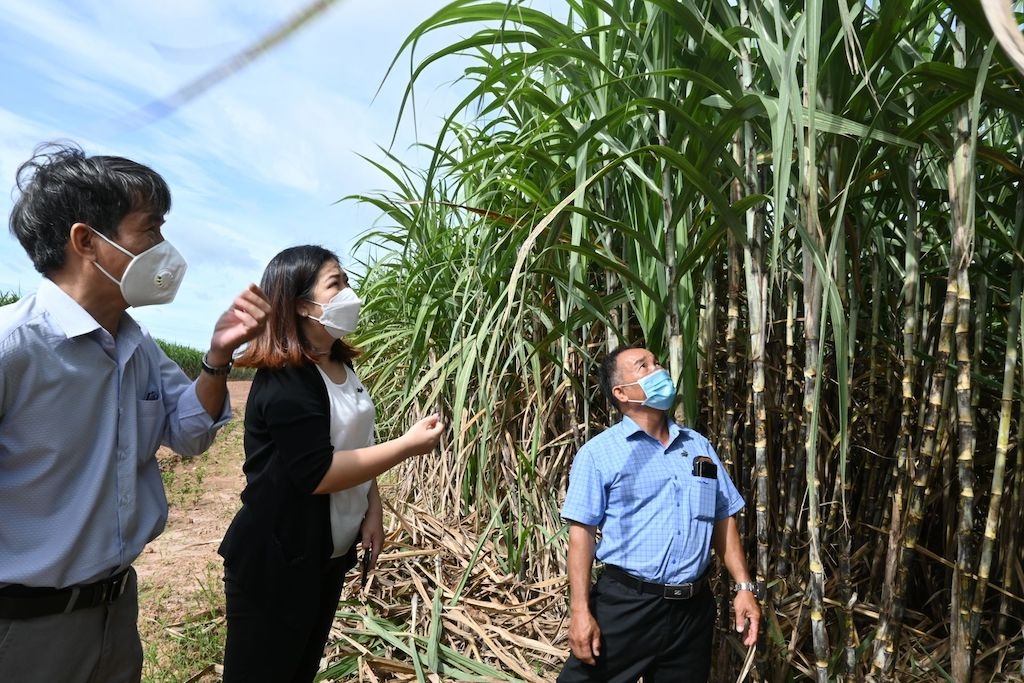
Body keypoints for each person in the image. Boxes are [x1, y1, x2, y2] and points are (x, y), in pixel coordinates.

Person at [0, 141, 271, 683]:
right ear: (86, 241)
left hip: (115, 609)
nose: (164, 248)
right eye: (150, 229)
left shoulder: (136, 346)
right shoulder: (15, 348)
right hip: (23, 629)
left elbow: (190, 433)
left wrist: (217, 358)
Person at [218, 244, 444, 683]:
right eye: (335, 284)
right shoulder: (287, 378)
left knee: (300, 668)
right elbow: (316, 473)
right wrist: (408, 445)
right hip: (277, 558)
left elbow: (358, 443)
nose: (349, 293)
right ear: (302, 305)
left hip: (324, 553)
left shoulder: (339, 363)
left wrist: (371, 509)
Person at [557, 345, 761, 682]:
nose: (658, 369)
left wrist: (744, 586)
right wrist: (579, 611)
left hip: (692, 610)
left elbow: (723, 517)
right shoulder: (599, 454)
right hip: (627, 605)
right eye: (643, 366)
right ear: (621, 393)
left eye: (657, 362)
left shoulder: (698, 446)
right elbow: (581, 536)